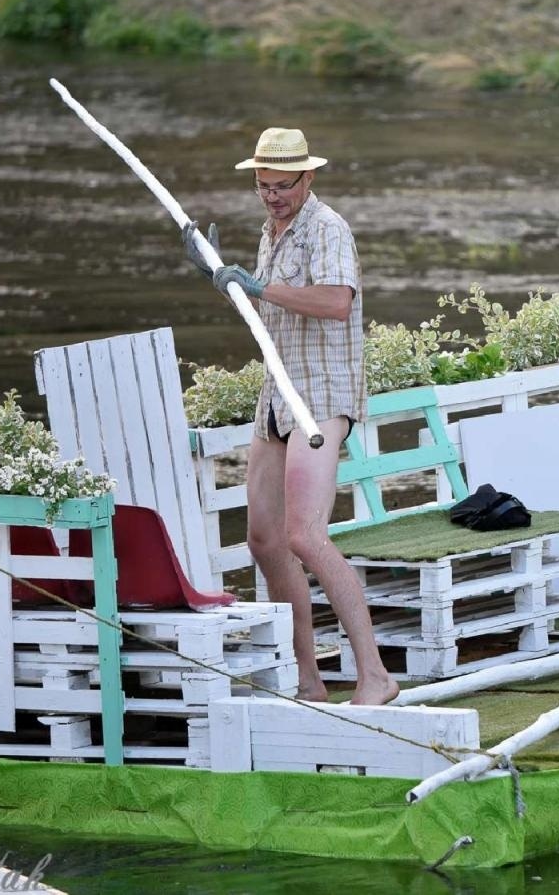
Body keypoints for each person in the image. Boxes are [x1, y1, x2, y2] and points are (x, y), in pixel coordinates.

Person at [184, 126, 397, 706]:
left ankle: (375, 675)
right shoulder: (270, 229)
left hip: (322, 396)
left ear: (308, 177)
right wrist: (224, 280)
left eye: (283, 185)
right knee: (263, 540)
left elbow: (335, 302)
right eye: (263, 186)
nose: (273, 195)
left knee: (305, 534)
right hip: (278, 392)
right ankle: (308, 677)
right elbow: (271, 308)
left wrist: (261, 287)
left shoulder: (327, 228)